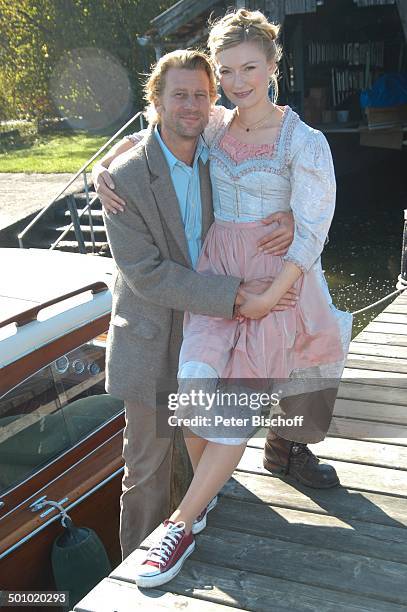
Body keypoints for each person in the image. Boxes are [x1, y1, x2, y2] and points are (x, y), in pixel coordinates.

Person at [99, 46, 297, 566]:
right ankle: (129, 574)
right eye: (179, 95)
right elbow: (145, 274)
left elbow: (273, 180)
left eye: (201, 96)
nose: (192, 105)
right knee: (145, 469)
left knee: (207, 445)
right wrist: (233, 296)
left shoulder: (220, 154)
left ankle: (194, 536)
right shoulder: (124, 178)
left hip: (209, 335)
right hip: (151, 340)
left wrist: (293, 218)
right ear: (157, 101)